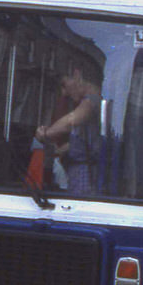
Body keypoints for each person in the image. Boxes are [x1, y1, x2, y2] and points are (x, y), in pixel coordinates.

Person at [36, 64, 102, 194]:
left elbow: (70, 122)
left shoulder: (92, 101)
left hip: (85, 175)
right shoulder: (86, 104)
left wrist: (45, 134)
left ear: (77, 75)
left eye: (64, 85)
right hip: (78, 173)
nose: (63, 92)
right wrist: (59, 150)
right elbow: (83, 142)